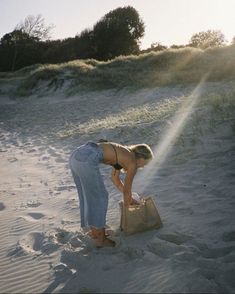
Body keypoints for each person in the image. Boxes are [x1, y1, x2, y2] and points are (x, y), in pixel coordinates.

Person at [69, 141, 154, 248]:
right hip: (87, 158)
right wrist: (130, 203)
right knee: (101, 197)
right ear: (142, 158)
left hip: (76, 155)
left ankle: (95, 232)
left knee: (88, 196)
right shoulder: (132, 162)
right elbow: (127, 190)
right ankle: (101, 239)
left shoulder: (123, 153)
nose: (143, 167)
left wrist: (129, 197)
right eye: (145, 164)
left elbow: (115, 179)